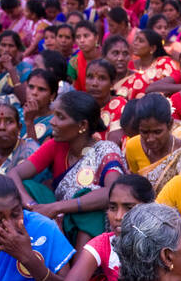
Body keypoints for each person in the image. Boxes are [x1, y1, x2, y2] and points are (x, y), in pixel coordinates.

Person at [7, 89, 125, 248]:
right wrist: (32, 205)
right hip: (58, 220)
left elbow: (113, 193)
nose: (52, 122)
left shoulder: (106, 149)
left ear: (82, 125)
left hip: (89, 225)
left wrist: (56, 208)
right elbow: (14, 173)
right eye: (54, 115)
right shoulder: (56, 145)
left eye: (60, 117)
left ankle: (80, 266)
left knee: (91, 207)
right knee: (28, 187)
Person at [122, 94, 181, 192]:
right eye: (144, 132)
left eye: (157, 132)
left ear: (170, 124)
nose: (150, 139)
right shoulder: (132, 146)